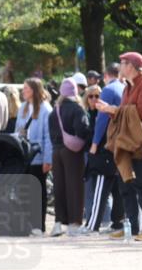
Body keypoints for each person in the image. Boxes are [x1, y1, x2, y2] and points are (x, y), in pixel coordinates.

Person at [96, 52, 142, 241]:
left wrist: (112, 109)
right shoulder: (128, 86)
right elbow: (125, 114)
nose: (119, 67)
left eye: (122, 63)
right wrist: (110, 110)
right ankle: (131, 227)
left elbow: (141, 113)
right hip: (125, 140)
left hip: (139, 140)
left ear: (131, 66)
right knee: (125, 184)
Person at [48, 77, 90, 236]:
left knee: (59, 186)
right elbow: (83, 130)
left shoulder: (55, 110)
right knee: (75, 187)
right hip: (72, 152)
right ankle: (74, 223)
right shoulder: (77, 109)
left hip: (56, 151)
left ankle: (58, 223)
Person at [87, 63, 124, 233]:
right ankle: (118, 222)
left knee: (101, 186)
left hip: (107, 145)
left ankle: (92, 225)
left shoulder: (108, 90)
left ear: (105, 75)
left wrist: (94, 143)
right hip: (123, 143)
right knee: (118, 187)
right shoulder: (124, 88)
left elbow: (102, 119)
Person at [15, 77, 53, 235]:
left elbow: (48, 136)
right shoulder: (23, 107)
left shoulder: (45, 109)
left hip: (38, 156)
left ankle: (39, 225)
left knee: (38, 191)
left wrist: (48, 159)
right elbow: (18, 130)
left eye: (27, 88)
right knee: (24, 191)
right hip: (24, 155)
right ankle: (26, 225)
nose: (23, 91)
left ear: (35, 90)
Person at [77, 84, 106, 235]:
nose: (94, 99)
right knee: (89, 189)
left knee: (103, 190)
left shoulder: (104, 114)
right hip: (88, 155)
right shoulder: (85, 114)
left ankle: (105, 221)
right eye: (91, 96)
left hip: (102, 155)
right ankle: (90, 220)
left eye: (97, 95)